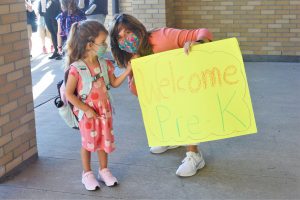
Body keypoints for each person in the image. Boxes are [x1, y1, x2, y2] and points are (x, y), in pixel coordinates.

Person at [109, 13, 213, 177]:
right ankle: (172, 138)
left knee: (185, 107)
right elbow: (137, 92)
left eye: (128, 32)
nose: (126, 39)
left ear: (138, 30)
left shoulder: (163, 37)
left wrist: (197, 43)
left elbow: (203, 32)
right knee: (157, 105)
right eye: (120, 37)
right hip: (165, 91)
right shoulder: (130, 56)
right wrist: (135, 71)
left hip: (187, 84)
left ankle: (195, 155)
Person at [65, 20, 132, 190]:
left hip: (104, 111)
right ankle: (87, 174)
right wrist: (86, 109)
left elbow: (114, 83)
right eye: (102, 43)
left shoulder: (105, 64)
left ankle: (104, 171)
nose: (105, 46)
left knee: (103, 140)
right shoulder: (77, 68)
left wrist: (127, 71)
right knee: (88, 143)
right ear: (89, 45)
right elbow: (68, 94)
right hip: (88, 113)